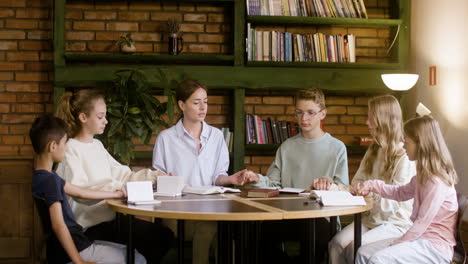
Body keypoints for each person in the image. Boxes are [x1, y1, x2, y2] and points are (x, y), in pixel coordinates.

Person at [55, 89, 174, 264]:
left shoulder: (97, 145)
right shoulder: (71, 149)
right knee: (156, 239)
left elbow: (124, 175)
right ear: (83, 118)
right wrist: (117, 189)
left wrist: (155, 176)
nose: (106, 121)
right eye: (101, 116)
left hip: (110, 222)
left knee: (163, 237)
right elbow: (80, 191)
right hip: (88, 229)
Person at [244, 88, 348, 263]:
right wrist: (256, 179)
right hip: (288, 214)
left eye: (310, 113)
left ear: (323, 114)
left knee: (314, 235)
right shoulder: (286, 147)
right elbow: (272, 183)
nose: (304, 118)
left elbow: (344, 190)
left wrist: (327, 186)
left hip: (321, 218)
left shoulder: (337, 148)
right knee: (252, 233)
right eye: (299, 113)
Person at [152, 79, 250, 264]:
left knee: (221, 228)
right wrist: (168, 181)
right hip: (177, 212)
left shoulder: (216, 136)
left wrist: (230, 179)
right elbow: (157, 179)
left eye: (205, 101)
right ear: (182, 105)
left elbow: (217, 177)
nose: (203, 107)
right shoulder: (166, 138)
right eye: (196, 103)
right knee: (213, 228)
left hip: (211, 208)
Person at [30, 114, 146, 264]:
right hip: (77, 249)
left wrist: (116, 194)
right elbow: (58, 225)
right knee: (138, 259)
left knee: (130, 252)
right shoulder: (51, 181)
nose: (66, 149)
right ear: (53, 146)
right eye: (64, 143)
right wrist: (78, 260)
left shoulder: (42, 177)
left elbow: (81, 192)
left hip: (73, 245)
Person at [353, 116, 458, 264]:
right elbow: (400, 193)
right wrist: (371, 185)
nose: (403, 146)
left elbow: (422, 223)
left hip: (434, 247)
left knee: (378, 259)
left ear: (421, 144)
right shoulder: (423, 175)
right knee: (363, 253)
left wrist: (396, 243)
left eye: (406, 142)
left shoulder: (436, 182)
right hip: (419, 239)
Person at [328, 94, 414, 264]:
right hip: (370, 220)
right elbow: (355, 185)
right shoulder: (373, 150)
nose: (367, 122)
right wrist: (331, 187)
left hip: (394, 223)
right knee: (335, 244)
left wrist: (368, 193)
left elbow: (395, 203)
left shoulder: (404, 156)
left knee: (355, 248)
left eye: (370, 118)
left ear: (383, 119)